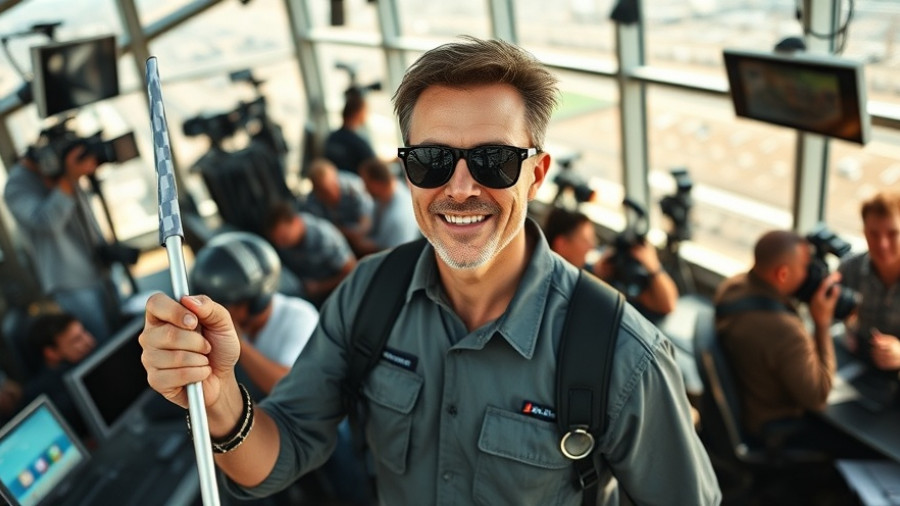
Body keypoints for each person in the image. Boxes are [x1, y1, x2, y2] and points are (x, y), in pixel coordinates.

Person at [140, 36, 719, 505]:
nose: (460, 188)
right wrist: (217, 398)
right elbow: (280, 454)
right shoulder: (369, 294)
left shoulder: (622, 355)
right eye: (432, 160)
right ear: (406, 173)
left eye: (493, 160)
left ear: (535, 175)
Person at [189, 231, 373, 506]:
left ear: (248, 301)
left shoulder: (297, 317)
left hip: (326, 419)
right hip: (279, 426)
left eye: (223, 304)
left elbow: (288, 386)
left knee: (347, 483)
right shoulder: (245, 325)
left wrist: (239, 343)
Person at [715, 230, 840, 440]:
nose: (810, 275)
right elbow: (819, 396)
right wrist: (822, 323)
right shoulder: (785, 330)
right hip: (771, 427)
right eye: (805, 267)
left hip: (748, 397)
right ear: (782, 274)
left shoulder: (731, 286)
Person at [4, 139, 124, 343]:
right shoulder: (16, 185)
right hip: (71, 282)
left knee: (122, 331)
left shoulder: (58, 173)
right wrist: (69, 178)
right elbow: (46, 222)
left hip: (98, 269)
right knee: (100, 344)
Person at [543, 207, 679, 316]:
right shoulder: (558, 291)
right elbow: (668, 304)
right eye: (585, 240)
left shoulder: (593, 270)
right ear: (561, 244)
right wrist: (653, 266)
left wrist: (595, 274)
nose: (593, 245)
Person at [839, 191, 900, 372]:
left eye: (893, 234)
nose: (882, 244)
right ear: (864, 232)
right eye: (874, 234)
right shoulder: (851, 268)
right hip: (860, 361)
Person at [264, 201, 357, 306]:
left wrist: (320, 287)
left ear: (296, 222)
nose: (281, 244)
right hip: (305, 290)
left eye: (284, 238)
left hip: (340, 293)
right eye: (277, 241)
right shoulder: (284, 243)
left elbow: (352, 270)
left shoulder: (324, 237)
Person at [22, 311, 97, 437]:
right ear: (51, 353)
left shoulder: (88, 362)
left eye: (84, 332)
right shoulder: (46, 397)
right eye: (77, 340)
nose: (89, 340)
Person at [349, 157, 420, 256]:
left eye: (366, 183)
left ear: (376, 184)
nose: (364, 188)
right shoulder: (386, 195)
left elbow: (394, 254)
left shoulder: (398, 217)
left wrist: (359, 243)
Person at [303, 157, 374, 245]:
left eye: (332, 186)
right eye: (323, 191)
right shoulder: (311, 202)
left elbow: (367, 225)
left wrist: (344, 232)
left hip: (366, 239)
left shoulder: (356, 188)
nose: (330, 193)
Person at [323, 88, 377, 175]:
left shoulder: (331, 138)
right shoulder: (359, 144)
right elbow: (376, 166)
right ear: (357, 114)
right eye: (365, 111)